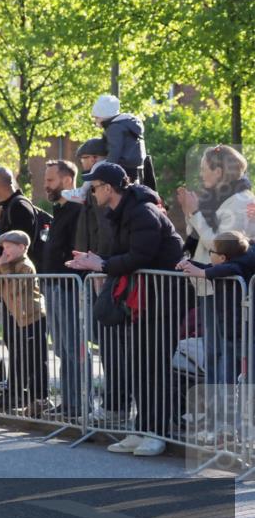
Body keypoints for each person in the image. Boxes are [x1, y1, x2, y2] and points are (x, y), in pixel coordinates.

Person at [67, 162, 185, 456]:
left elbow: (140, 256)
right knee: (139, 367)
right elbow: (127, 254)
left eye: (94, 187)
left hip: (161, 300)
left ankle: (156, 434)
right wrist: (97, 259)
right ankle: (140, 429)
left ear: (109, 187)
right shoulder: (123, 212)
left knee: (155, 369)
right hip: (143, 301)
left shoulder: (142, 211)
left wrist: (103, 265)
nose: (91, 193)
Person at [175, 145, 255, 385]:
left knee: (226, 352)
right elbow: (198, 235)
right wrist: (191, 214)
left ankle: (225, 413)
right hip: (209, 285)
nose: (201, 174)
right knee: (212, 352)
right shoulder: (220, 199)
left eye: (204, 169)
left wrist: (195, 213)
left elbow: (223, 246)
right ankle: (216, 410)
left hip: (226, 289)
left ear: (219, 171)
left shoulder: (241, 201)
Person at [178, 230, 255, 389]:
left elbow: (230, 269)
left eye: (211, 251)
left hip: (240, 329)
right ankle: (227, 405)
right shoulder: (236, 260)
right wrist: (191, 265)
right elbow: (213, 267)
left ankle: (240, 406)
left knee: (242, 370)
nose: (209, 254)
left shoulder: (239, 266)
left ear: (222, 258)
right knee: (230, 367)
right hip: (231, 328)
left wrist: (202, 272)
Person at [0, 231, 49, 414]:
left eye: (9, 247)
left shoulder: (25, 266)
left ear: (22, 248)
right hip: (16, 317)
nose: (5, 252)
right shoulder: (9, 265)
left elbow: (16, 290)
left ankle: (40, 397)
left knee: (35, 358)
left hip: (32, 317)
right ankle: (16, 393)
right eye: (3, 248)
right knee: (17, 356)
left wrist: (2, 268)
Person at [42, 160, 84, 417]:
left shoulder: (77, 210)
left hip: (69, 285)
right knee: (61, 348)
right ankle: (68, 403)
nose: (46, 186)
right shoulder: (59, 210)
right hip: (53, 284)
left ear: (68, 180)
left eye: (50, 180)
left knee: (73, 347)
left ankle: (79, 404)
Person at [0, 167, 39, 265]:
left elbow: (19, 245)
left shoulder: (19, 206)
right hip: (14, 272)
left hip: (21, 274)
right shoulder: (9, 206)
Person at [91, 94, 149, 184]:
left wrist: (108, 168)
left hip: (124, 162)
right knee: (131, 185)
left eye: (97, 117)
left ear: (105, 115)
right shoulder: (126, 123)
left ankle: (82, 191)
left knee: (97, 167)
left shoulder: (114, 128)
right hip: (136, 163)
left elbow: (115, 149)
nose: (95, 121)